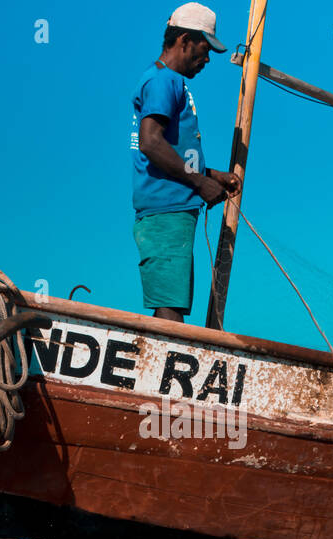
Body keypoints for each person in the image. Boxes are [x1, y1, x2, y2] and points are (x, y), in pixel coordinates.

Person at [131, 3, 241, 322]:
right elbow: (151, 142)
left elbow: (167, 153)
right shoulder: (164, 81)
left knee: (173, 300)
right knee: (170, 306)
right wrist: (199, 182)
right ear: (184, 40)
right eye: (204, 49)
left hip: (172, 210)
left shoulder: (167, 82)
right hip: (165, 211)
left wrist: (212, 175)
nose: (206, 59)